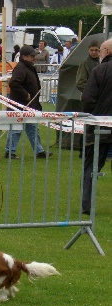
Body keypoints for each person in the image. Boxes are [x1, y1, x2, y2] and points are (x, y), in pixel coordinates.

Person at [81, 39, 112, 215]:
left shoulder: (99, 70)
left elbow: (87, 99)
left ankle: (87, 205)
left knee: (91, 168)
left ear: (106, 51)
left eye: (100, 51)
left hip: (100, 126)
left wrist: (91, 117)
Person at [5, 45, 53, 159]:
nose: (34, 58)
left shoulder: (28, 67)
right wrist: (25, 94)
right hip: (20, 105)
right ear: (24, 57)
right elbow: (14, 83)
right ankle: (10, 152)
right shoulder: (21, 68)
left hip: (30, 105)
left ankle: (39, 151)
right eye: (32, 56)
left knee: (33, 128)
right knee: (16, 128)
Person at [76, 41, 100, 157]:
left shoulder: (101, 63)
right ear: (88, 50)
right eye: (92, 50)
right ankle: (82, 150)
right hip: (88, 100)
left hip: (100, 101)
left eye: (96, 50)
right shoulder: (85, 64)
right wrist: (93, 92)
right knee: (86, 125)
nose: (94, 52)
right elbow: (80, 83)